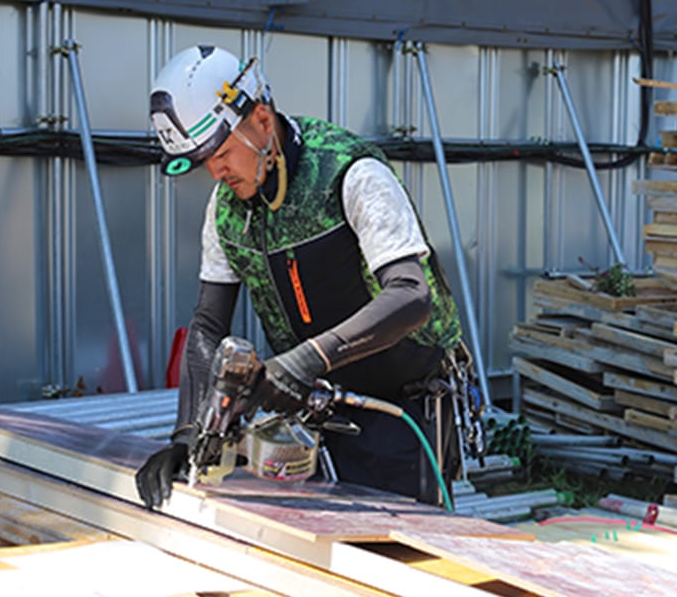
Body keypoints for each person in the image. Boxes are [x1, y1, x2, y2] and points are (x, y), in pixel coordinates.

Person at [134, 45, 467, 510]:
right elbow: (209, 325)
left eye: (223, 152)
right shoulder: (227, 211)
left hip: (398, 411)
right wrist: (187, 435)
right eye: (203, 160)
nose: (216, 171)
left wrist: (304, 361)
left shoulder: (350, 173)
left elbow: (411, 295)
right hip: (312, 413)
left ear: (263, 121)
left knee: (397, 564)